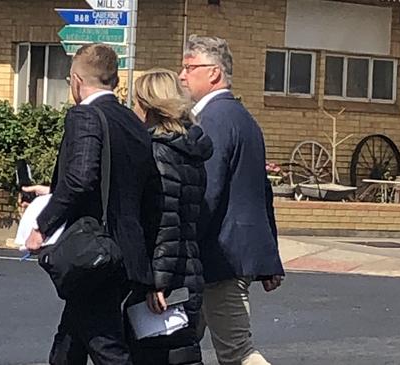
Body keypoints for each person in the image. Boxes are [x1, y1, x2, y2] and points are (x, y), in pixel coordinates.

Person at [24, 43, 159, 365]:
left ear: (75, 79)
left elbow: (81, 178)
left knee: (106, 347)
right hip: (126, 251)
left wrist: (41, 226)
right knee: (69, 343)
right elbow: (148, 190)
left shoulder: (85, 114)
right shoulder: (132, 122)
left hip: (95, 254)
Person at [178, 35, 285, 365]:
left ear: (213, 73)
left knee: (237, 351)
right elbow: (260, 193)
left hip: (220, 256)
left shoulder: (213, 119)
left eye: (189, 67)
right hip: (231, 253)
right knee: (176, 343)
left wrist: (180, 243)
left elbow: (205, 190)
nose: (181, 75)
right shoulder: (242, 117)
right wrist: (270, 258)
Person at [126, 69, 213, 365]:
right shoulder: (190, 151)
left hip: (166, 280)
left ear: (149, 106)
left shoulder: (157, 152)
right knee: (180, 352)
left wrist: (156, 283)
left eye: (136, 101)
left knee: (156, 354)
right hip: (189, 269)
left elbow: (166, 222)